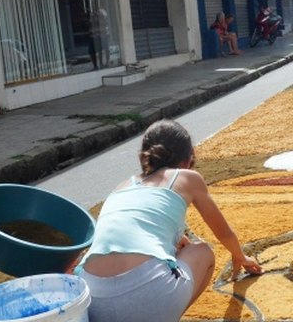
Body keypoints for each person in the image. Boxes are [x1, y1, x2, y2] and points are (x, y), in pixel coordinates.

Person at [76, 119, 263, 322]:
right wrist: (240, 257)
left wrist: (174, 238)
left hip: (91, 301)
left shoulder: (122, 186)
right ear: (186, 160)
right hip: (151, 293)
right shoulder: (187, 177)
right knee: (202, 251)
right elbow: (224, 233)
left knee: (176, 247)